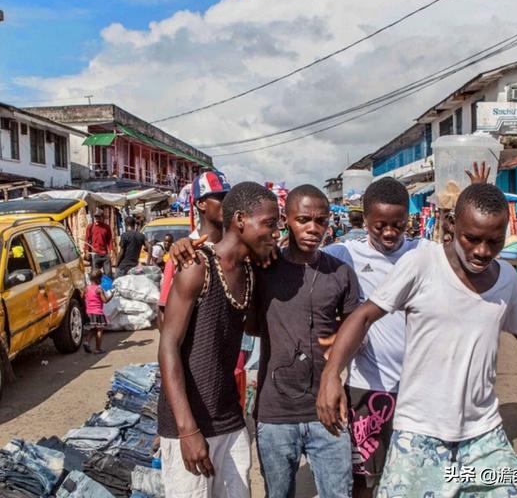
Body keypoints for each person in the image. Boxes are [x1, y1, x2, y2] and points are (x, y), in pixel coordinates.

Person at [318, 183, 517, 497]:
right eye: (472, 239)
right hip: (419, 434)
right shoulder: (422, 265)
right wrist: (331, 375)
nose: (482, 251)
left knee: (516, 489)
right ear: (452, 226)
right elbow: (364, 315)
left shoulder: (507, 279)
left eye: (494, 241)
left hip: (482, 433)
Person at [157, 182, 279, 498]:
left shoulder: (249, 273)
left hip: (229, 420)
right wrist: (187, 430)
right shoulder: (198, 266)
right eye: (268, 223)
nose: (275, 232)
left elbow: (252, 328)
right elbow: (168, 344)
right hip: (190, 423)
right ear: (240, 220)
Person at [248, 184, 359, 498]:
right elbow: (252, 325)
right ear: (287, 220)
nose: (313, 229)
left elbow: (356, 328)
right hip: (275, 414)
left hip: (328, 411)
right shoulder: (264, 269)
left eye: (321, 221)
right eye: (303, 219)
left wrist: (342, 340)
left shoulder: (341, 273)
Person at [322, 178, 428, 497]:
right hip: (365, 388)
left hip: (418, 389)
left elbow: (474, 245)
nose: (390, 233)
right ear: (364, 220)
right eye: (379, 225)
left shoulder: (424, 253)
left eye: (398, 224)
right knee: (363, 478)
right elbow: (296, 259)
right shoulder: (344, 254)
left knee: (416, 475)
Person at [159, 170, 231, 326]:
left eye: (229, 197)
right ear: (201, 203)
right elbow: (164, 317)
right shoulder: (183, 253)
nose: (227, 203)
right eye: (220, 197)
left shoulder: (235, 247)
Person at [83, 268, 114, 354]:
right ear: (98, 279)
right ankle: (98, 349)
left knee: (93, 329)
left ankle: (86, 342)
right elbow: (105, 301)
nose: (101, 280)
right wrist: (111, 295)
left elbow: (83, 297)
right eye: (101, 279)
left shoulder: (87, 288)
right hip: (98, 313)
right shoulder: (99, 290)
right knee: (99, 330)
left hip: (89, 312)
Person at [85, 209, 113, 278]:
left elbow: (109, 240)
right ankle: (95, 288)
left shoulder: (106, 227)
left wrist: (111, 250)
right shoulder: (90, 227)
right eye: (96, 217)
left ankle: (107, 287)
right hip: (95, 254)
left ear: (102, 217)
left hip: (105, 254)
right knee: (95, 275)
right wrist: (86, 251)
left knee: (108, 273)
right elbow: (87, 239)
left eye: (99, 217)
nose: (97, 219)